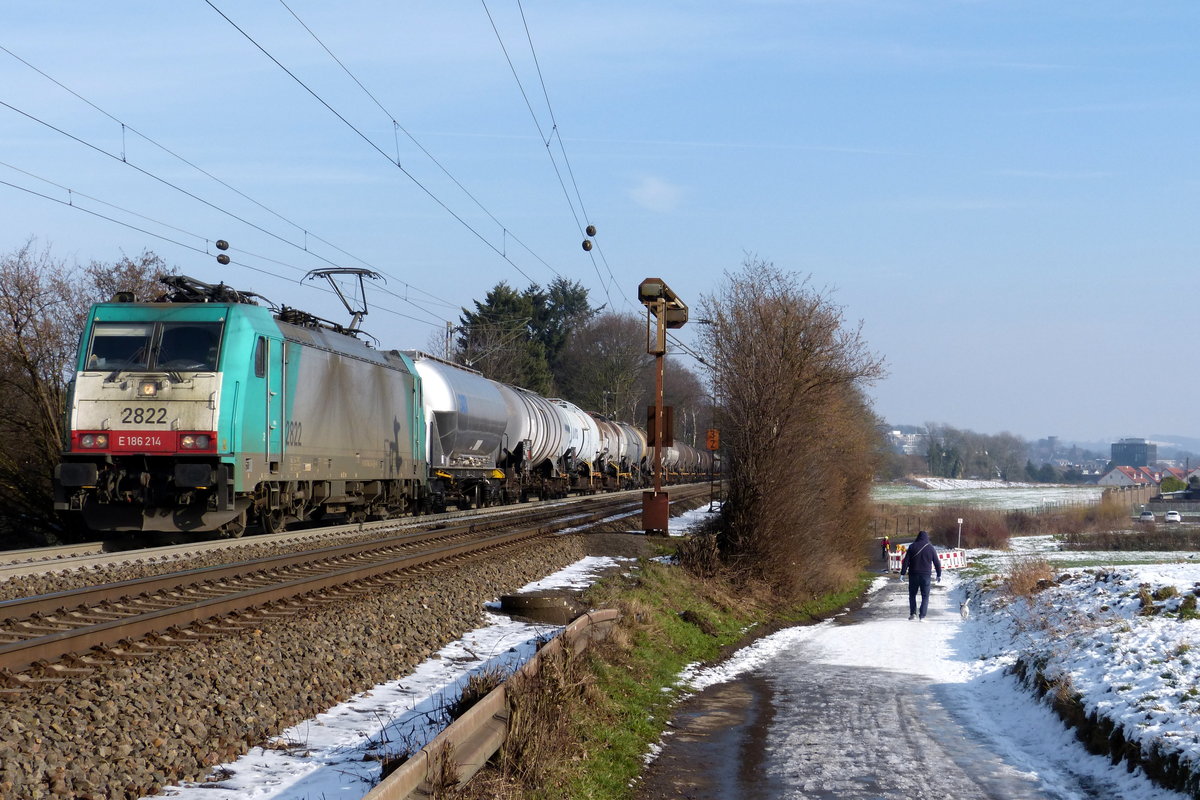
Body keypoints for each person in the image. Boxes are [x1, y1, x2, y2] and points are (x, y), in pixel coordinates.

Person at [899, 530, 942, 620]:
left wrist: (902, 573)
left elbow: (906, 561)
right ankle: (922, 616)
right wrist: (939, 574)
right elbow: (937, 562)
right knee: (925, 596)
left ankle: (913, 613)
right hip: (926, 575)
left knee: (912, 594)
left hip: (913, 574)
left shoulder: (912, 547)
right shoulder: (930, 548)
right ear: (927, 538)